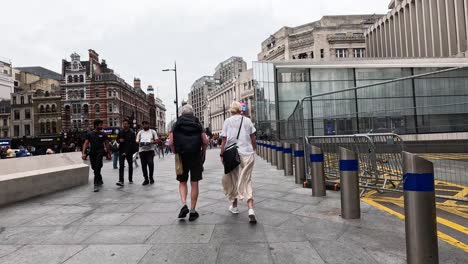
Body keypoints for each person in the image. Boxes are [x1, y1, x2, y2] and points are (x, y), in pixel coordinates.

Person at [220, 101, 257, 224]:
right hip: (247, 153)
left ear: (231, 110)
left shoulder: (227, 121)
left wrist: (222, 154)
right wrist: (254, 149)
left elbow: (224, 140)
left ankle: (234, 206)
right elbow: (253, 137)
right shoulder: (247, 120)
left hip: (233, 153)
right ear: (240, 109)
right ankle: (250, 208)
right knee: (246, 179)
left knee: (233, 179)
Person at [170, 104, 208, 221]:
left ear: (182, 113)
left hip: (181, 155)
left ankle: (183, 204)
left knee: (182, 181)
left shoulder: (176, 124)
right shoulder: (197, 123)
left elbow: (171, 142)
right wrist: (203, 152)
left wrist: (175, 152)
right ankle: (192, 210)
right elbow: (205, 141)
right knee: (194, 182)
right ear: (192, 113)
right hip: (195, 155)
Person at [82, 119, 111, 192]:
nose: (102, 126)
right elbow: (85, 143)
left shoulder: (104, 134)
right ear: (96, 125)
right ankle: (100, 179)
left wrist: (108, 154)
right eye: (100, 125)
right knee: (94, 168)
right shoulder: (89, 134)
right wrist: (83, 153)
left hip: (100, 152)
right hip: (92, 153)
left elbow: (107, 144)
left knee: (98, 167)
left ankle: (95, 184)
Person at [116, 119, 137, 187]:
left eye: (125, 124)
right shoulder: (121, 131)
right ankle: (121, 180)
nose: (124, 125)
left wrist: (126, 152)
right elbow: (117, 139)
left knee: (130, 165)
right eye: (123, 124)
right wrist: (119, 140)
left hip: (129, 151)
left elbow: (132, 144)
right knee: (121, 166)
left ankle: (130, 179)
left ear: (128, 125)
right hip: (121, 150)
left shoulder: (132, 132)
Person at [136, 121, 157, 185]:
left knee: (150, 164)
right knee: (143, 165)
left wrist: (151, 142)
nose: (145, 125)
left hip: (150, 150)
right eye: (143, 124)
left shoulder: (153, 132)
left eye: (146, 124)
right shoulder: (140, 132)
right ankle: (146, 179)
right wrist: (140, 143)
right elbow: (137, 141)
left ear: (148, 124)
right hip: (142, 151)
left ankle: (151, 178)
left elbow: (156, 140)